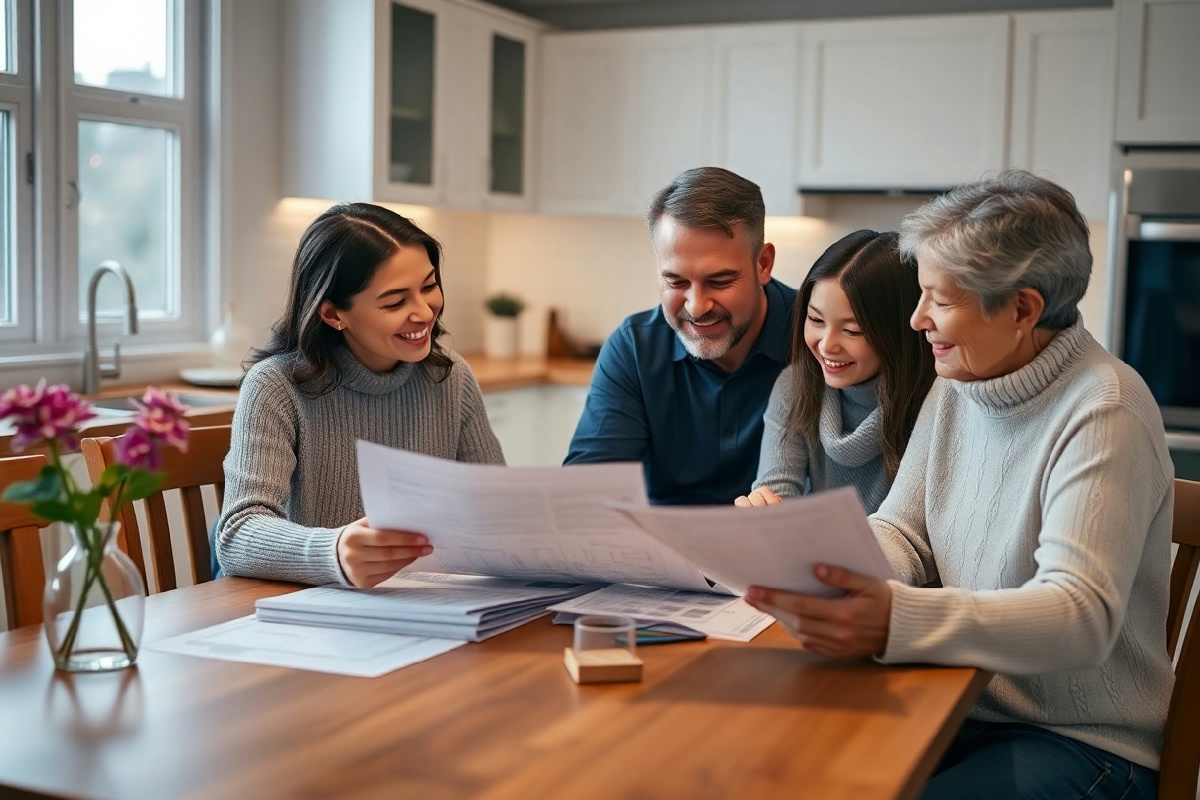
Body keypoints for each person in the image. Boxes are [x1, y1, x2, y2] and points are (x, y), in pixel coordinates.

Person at [744, 171, 1174, 800]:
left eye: (939, 301)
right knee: (782, 768)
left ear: (1022, 309)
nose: (917, 319)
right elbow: (904, 530)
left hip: (1079, 742)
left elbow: (1080, 617)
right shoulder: (959, 383)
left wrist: (895, 617)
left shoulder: (1104, 409)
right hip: (955, 704)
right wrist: (829, 566)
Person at [216, 203, 504, 588]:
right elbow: (237, 535)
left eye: (428, 286)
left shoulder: (450, 376)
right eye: (395, 301)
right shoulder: (275, 387)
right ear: (333, 314)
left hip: (427, 598)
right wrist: (333, 551)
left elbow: (495, 509)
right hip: (314, 606)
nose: (424, 312)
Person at [565, 167, 797, 505]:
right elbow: (588, 494)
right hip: (660, 539)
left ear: (763, 264)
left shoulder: (818, 338)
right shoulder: (634, 349)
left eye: (720, 281)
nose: (697, 307)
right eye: (676, 282)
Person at [735, 230, 934, 513]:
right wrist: (764, 510)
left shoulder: (935, 401)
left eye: (852, 330)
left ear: (899, 331)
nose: (827, 345)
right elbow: (776, 493)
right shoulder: (795, 385)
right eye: (815, 319)